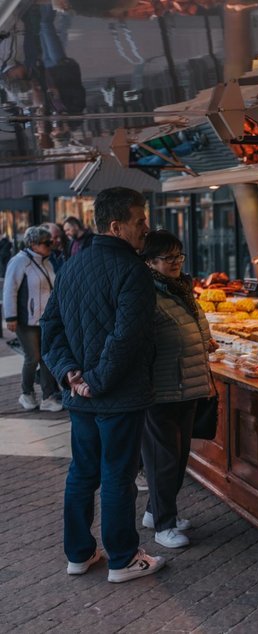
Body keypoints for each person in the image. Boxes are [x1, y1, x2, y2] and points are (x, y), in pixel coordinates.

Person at [41, 186, 165, 583]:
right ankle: (123, 559)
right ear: (116, 226)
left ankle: (78, 555)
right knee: (116, 476)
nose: (146, 227)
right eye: (139, 221)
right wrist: (92, 381)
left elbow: (51, 328)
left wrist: (70, 374)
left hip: (81, 396)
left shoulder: (71, 266)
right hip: (117, 395)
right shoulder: (133, 272)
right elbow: (126, 338)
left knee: (82, 474)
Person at [140, 230, 215, 549]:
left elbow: (196, 323)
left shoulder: (182, 289)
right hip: (163, 388)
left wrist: (204, 340)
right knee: (163, 458)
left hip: (189, 384)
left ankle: (153, 511)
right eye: (168, 258)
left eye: (179, 255)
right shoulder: (146, 293)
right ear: (150, 262)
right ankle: (163, 525)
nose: (175, 263)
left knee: (179, 454)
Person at [3, 225, 61, 412]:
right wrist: (10, 316)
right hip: (25, 320)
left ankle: (48, 395)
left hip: (45, 319)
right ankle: (26, 393)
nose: (50, 246)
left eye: (50, 242)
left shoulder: (47, 261)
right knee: (32, 357)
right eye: (46, 243)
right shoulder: (19, 262)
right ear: (33, 244)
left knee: (46, 357)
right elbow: (10, 289)